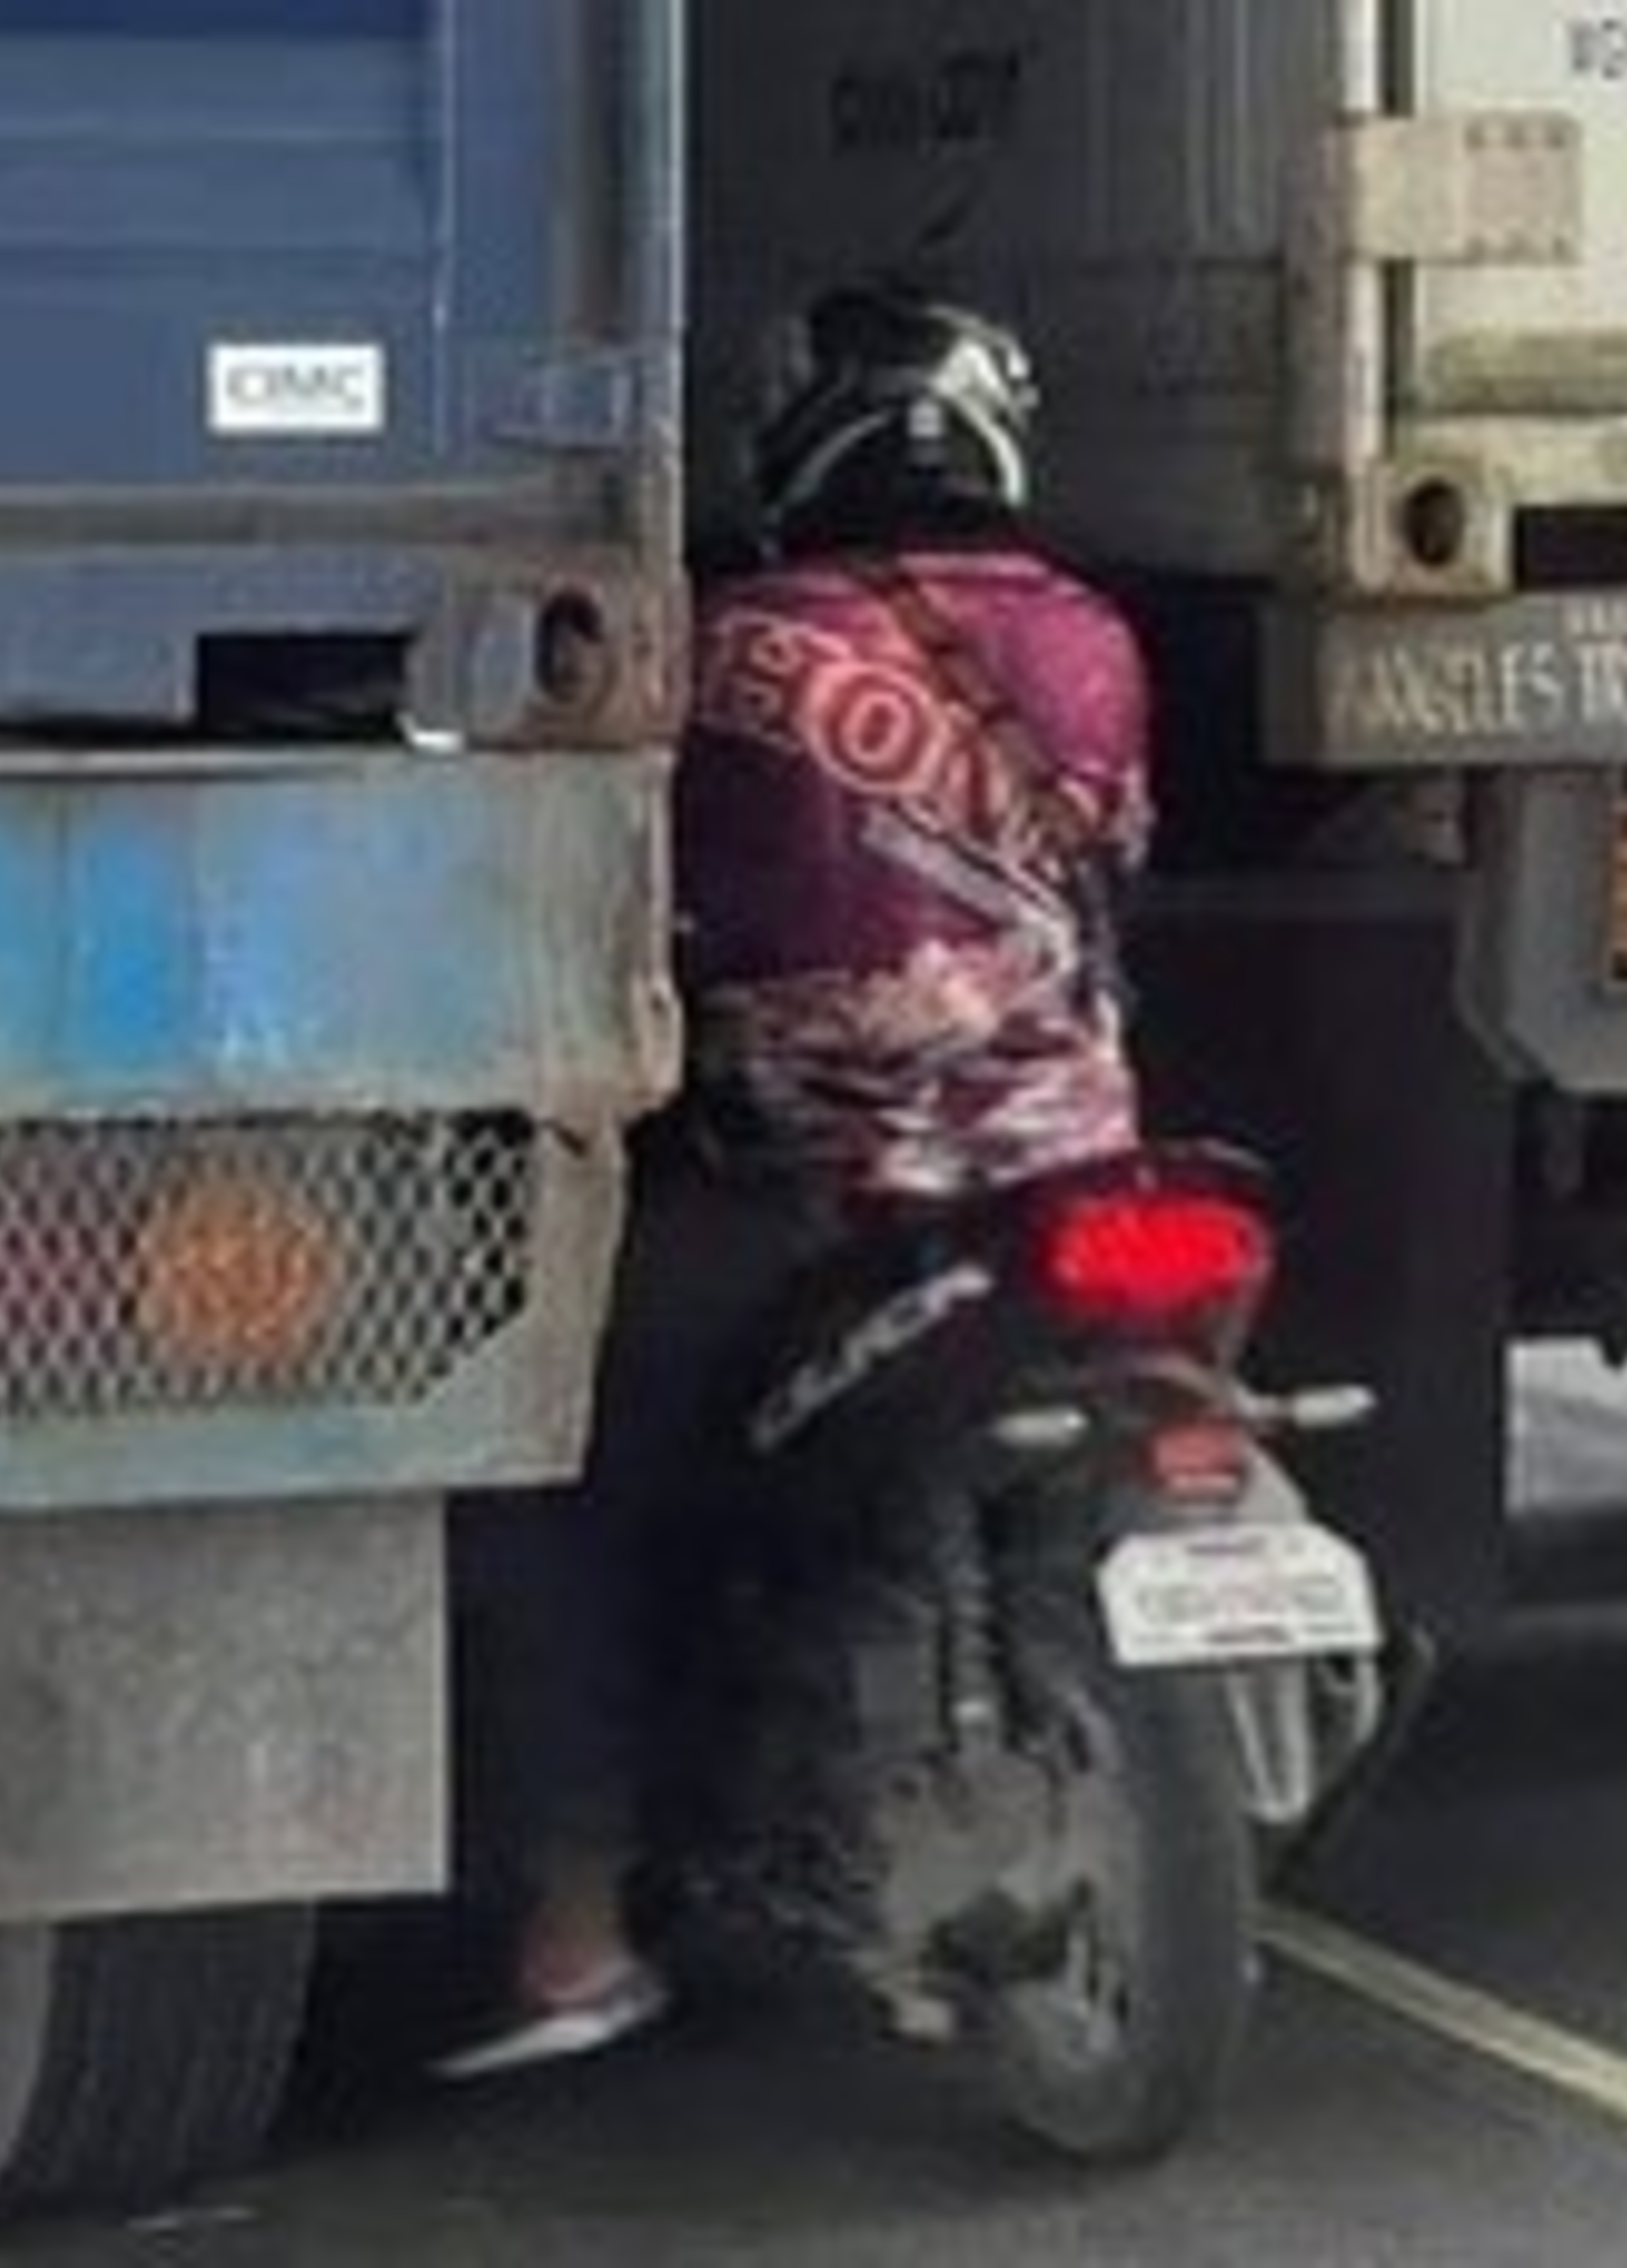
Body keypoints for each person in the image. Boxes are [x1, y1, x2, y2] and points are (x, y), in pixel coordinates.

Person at [437, 283, 1154, 2078]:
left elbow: (647, 900)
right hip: (1078, 1162)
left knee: (570, 1488)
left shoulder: (733, 648)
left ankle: (579, 1933)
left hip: (824, 1189)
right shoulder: (1091, 637)